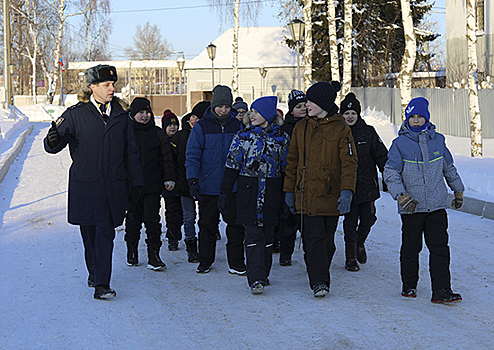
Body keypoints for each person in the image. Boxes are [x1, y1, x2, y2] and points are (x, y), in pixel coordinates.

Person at [44, 64, 144, 299]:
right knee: (89, 237)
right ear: (92, 87)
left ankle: (102, 283)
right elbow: (53, 146)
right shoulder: (75, 114)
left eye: (113, 84)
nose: (112, 88)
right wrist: (52, 139)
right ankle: (95, 272)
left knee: (105, 233)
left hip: (113, 188)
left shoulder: (121, 116)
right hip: (85, 187)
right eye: (106, 85)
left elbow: (131, 153)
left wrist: (137, 183)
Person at [383, 97, 464, 304]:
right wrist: (401, 196)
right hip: (412, 207)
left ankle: (441, 290)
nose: (416, 121)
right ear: (407, 119)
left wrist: (458, 190)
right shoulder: (399, 144)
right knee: (411, 248)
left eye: (420, 117)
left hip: (436, 205)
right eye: (413, 117)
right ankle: (409, 285)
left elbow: (448, 168)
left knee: (440, 248)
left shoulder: (438, 140)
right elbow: (390, 172)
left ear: (427, 118)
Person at [283, 81, 358, 298]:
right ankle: (319, 281)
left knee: (326, 242)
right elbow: (292, 161)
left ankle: (319, 268)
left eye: (310, 101)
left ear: (322, 103)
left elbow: (349, 162)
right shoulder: (301, 127)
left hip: (330, 194)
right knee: (312, 239)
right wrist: (289, 190)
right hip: (306, 195)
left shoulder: (341, 128)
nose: (306, 105)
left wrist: (347, 191)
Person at [219, 96, 290, 294]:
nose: (252, 115)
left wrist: (287, 195)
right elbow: (231, 166)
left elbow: (286, 169)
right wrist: (225, 192)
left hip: (272, 193)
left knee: (268, 237)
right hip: (247, 193)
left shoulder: (282, 138)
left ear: (267, 114)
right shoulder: (243, 137)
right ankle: (255, 278)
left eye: (256, 112)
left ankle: (263, 274)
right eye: (251, 111)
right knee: (252, 236)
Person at [186, 85, 246, 274]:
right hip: (208, 186)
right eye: (220, 106)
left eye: (227, 107)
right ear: (213, 106)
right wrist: (193, 180)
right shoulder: (202, 126)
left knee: (236, 226)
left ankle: (236, 262)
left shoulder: (237, 126)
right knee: (207, 226)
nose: (223, 110)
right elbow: (193, 155)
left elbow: (244, 154)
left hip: (232, 186)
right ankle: (205, 260)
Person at [125, 98, 175, 271]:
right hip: (132, 186)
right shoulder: (126, 132)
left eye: (147, 112)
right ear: (133, 114)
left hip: (152, 185)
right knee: (133, 221)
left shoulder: (157, 133)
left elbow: (166, 158)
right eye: (141, 112)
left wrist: (169, 178)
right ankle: (131, 250)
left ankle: (154, 255)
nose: (145, 116)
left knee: (153, 221)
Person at [339, 92, 388, 271]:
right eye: (346, 113)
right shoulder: (338, 133)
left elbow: (381, 155)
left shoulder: (368, 132)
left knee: (368, 219)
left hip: (367, 187)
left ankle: (360, 243)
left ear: (358, 115)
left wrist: (389, 175)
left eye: (353, 113)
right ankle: (350, 257)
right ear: (341, 115)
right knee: (350, 223)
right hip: (347, 187)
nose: (350, 117)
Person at [172, 101, 210, 263]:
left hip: (205, 182)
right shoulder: (181, 135)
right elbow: (173, 158)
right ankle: (191, 246)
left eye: (197, 117)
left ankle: (205, 243)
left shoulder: (207, 134)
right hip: (184, 182)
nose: (193, 120)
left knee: (205, 216)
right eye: (192, 116)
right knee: (188, 216)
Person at [277, 89, 307, 266]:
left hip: (307, 179)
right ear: (291, 110)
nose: (303, 109)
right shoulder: (285, 129)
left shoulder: (313, 125)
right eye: (298, 106)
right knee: (288, 219)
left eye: (305, 105)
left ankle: (309, 255)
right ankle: (285, 253)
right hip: (288, 178)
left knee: (307, 223)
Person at [160, 109, 183, 251]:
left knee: (181, 212)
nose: (172, 127)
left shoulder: (181, 139)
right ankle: (172, 237)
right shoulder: (162, 142)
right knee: (172, 211)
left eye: (175, 125)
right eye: (169, 125)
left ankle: (177, 233)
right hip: (168, 183)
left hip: (181, 181)